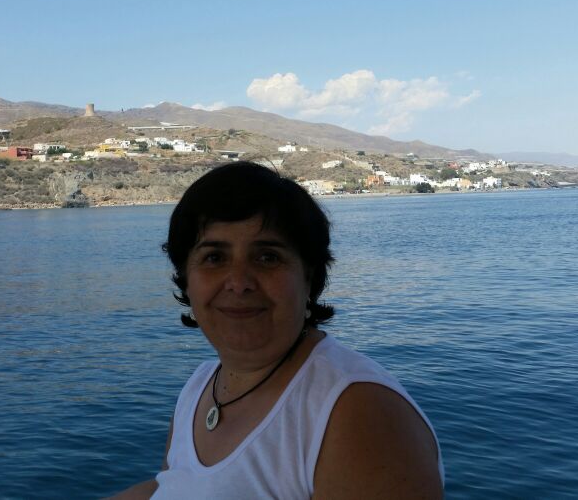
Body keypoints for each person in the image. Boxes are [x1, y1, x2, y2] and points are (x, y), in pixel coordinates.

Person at [113, 161, 443, 499]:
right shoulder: (200, 387)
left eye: (267, 257)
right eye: (214, 258)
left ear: (308, 276)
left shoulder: (358, 412)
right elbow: (173, 485)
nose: (238, 282)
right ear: (187, 278)